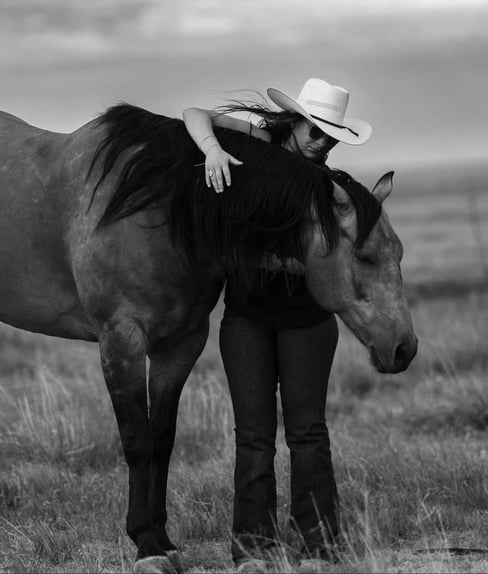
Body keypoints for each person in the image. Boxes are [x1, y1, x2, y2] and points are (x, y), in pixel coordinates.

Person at [182, 78, 372, 573]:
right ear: (295, 120)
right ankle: (253, 551)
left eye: (331, 137)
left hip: (308, 320)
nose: (321, 142)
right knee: (254, 435)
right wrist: (212, 154)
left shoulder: (326, 184)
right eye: (316, 130)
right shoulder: (258, 142)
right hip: (246, 318)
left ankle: (321, 546)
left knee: (308, 432)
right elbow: (194, 112)